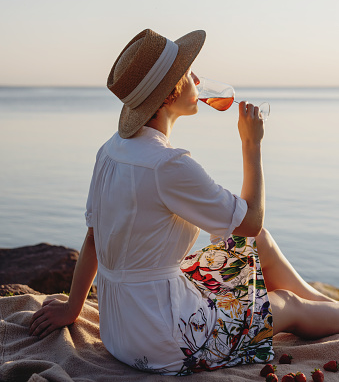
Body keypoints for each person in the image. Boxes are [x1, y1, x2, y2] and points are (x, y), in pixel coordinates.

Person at [30, 29, 339, 375]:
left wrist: (73, 308)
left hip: (121, 330)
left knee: (258, 243)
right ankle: (325, 309)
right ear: (168, 94)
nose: (197, 79)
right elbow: (250, 219)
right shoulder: (169, 164)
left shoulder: (110, 151)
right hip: (167, 339)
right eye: (188, 73)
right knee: (287, 304)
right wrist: (252, 146)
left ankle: (327, 304)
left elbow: (92, 239)